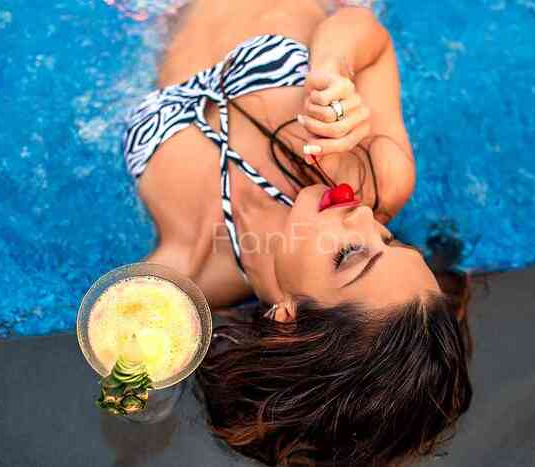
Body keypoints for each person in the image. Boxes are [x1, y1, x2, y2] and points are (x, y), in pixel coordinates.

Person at [121, 1, 473, 465]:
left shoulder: (191, 270)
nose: (364, 217)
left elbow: (121, 380)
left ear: (288, 321)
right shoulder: (376, 176)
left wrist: (130, 383)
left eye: (351, 254)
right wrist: (333, 70)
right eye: (391, 240)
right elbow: (370, 36)